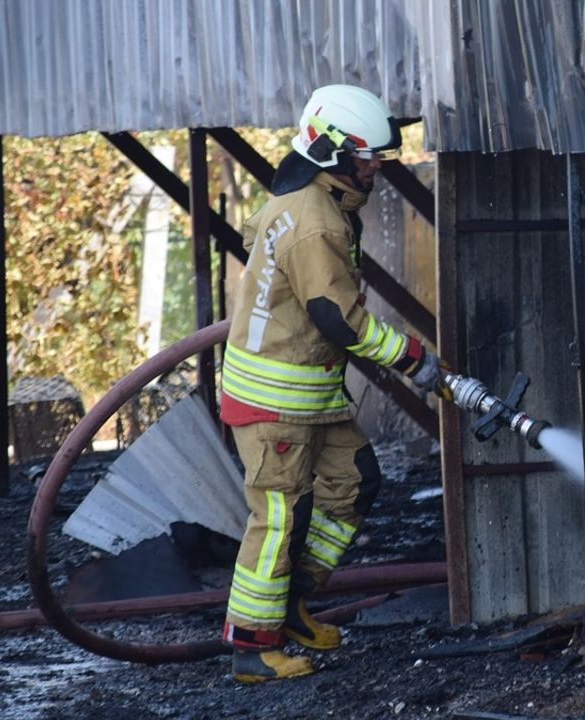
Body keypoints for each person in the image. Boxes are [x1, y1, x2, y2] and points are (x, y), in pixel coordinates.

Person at [219, 84, 445, 683]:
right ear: (330, 151)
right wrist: (416, 360)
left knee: (354, 482)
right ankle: (251, 647)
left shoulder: (306, 197)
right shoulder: (315, 222)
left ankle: (288, 604)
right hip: (275, 404)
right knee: (278, 519)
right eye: (366, 155)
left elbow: (253, 236)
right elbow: (338, 320)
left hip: (309, 395)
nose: (375, 166)